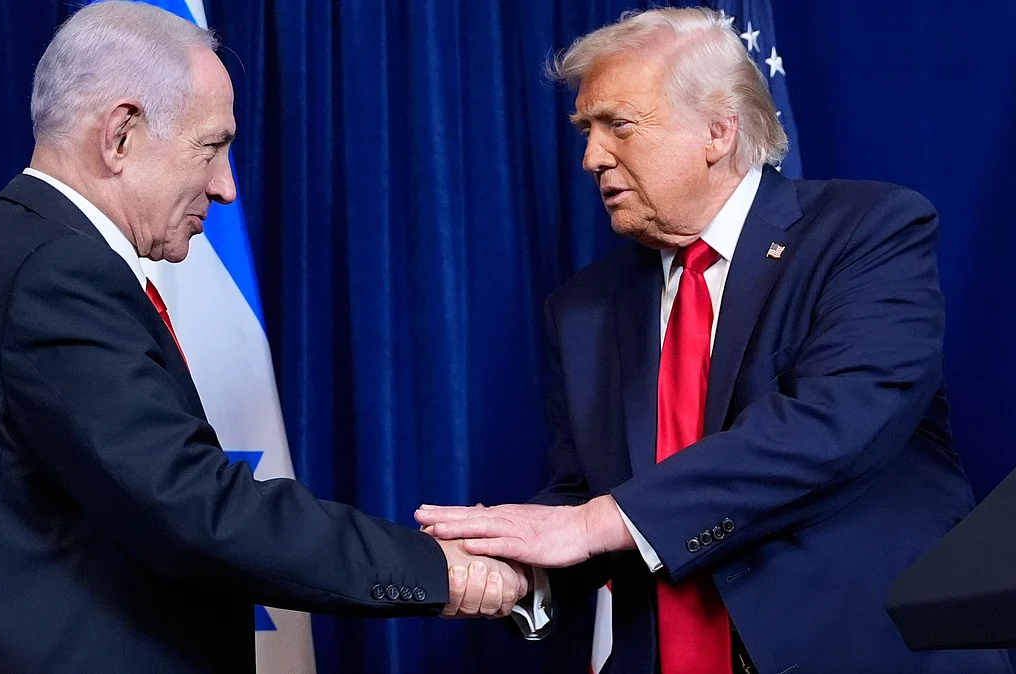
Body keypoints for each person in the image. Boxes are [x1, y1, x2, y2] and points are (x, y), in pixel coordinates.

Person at [0, 2, 524, 672]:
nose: (225, 187)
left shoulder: (18, 251)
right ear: (121, 134)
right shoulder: (54, 273)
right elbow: (194, 508)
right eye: (210, 147)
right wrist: (434, 568)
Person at [417, 7, 1013, 674]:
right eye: (586, 130)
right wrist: (513, 566)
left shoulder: (870, 230)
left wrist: (591, 523)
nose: (591, 157)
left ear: (718, 130)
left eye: (618, 125)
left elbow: (833, 426)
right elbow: (582, 495)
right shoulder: (584, 307)